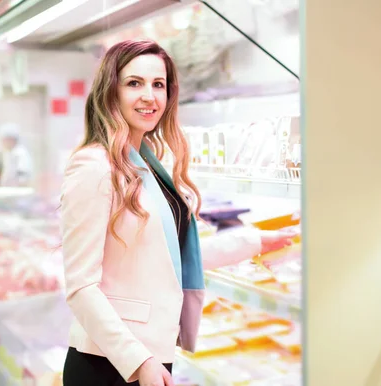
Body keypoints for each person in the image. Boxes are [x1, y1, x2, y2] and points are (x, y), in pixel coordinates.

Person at [60, 40, 294, 386]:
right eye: (134, 83)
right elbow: (81, 287)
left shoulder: (146, 163)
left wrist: (255, 241)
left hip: (147, 357)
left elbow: (169, 258)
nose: (149, 96)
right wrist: (139, 362)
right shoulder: (95, 166)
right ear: (110, 92)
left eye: (159, 85)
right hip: (110, 364)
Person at [0, 122, 33, 187]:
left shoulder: (20, 154)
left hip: (18, 194)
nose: (2, 143)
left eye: (4, 140)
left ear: (11, 139)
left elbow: (23, 178)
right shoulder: (11, 153)